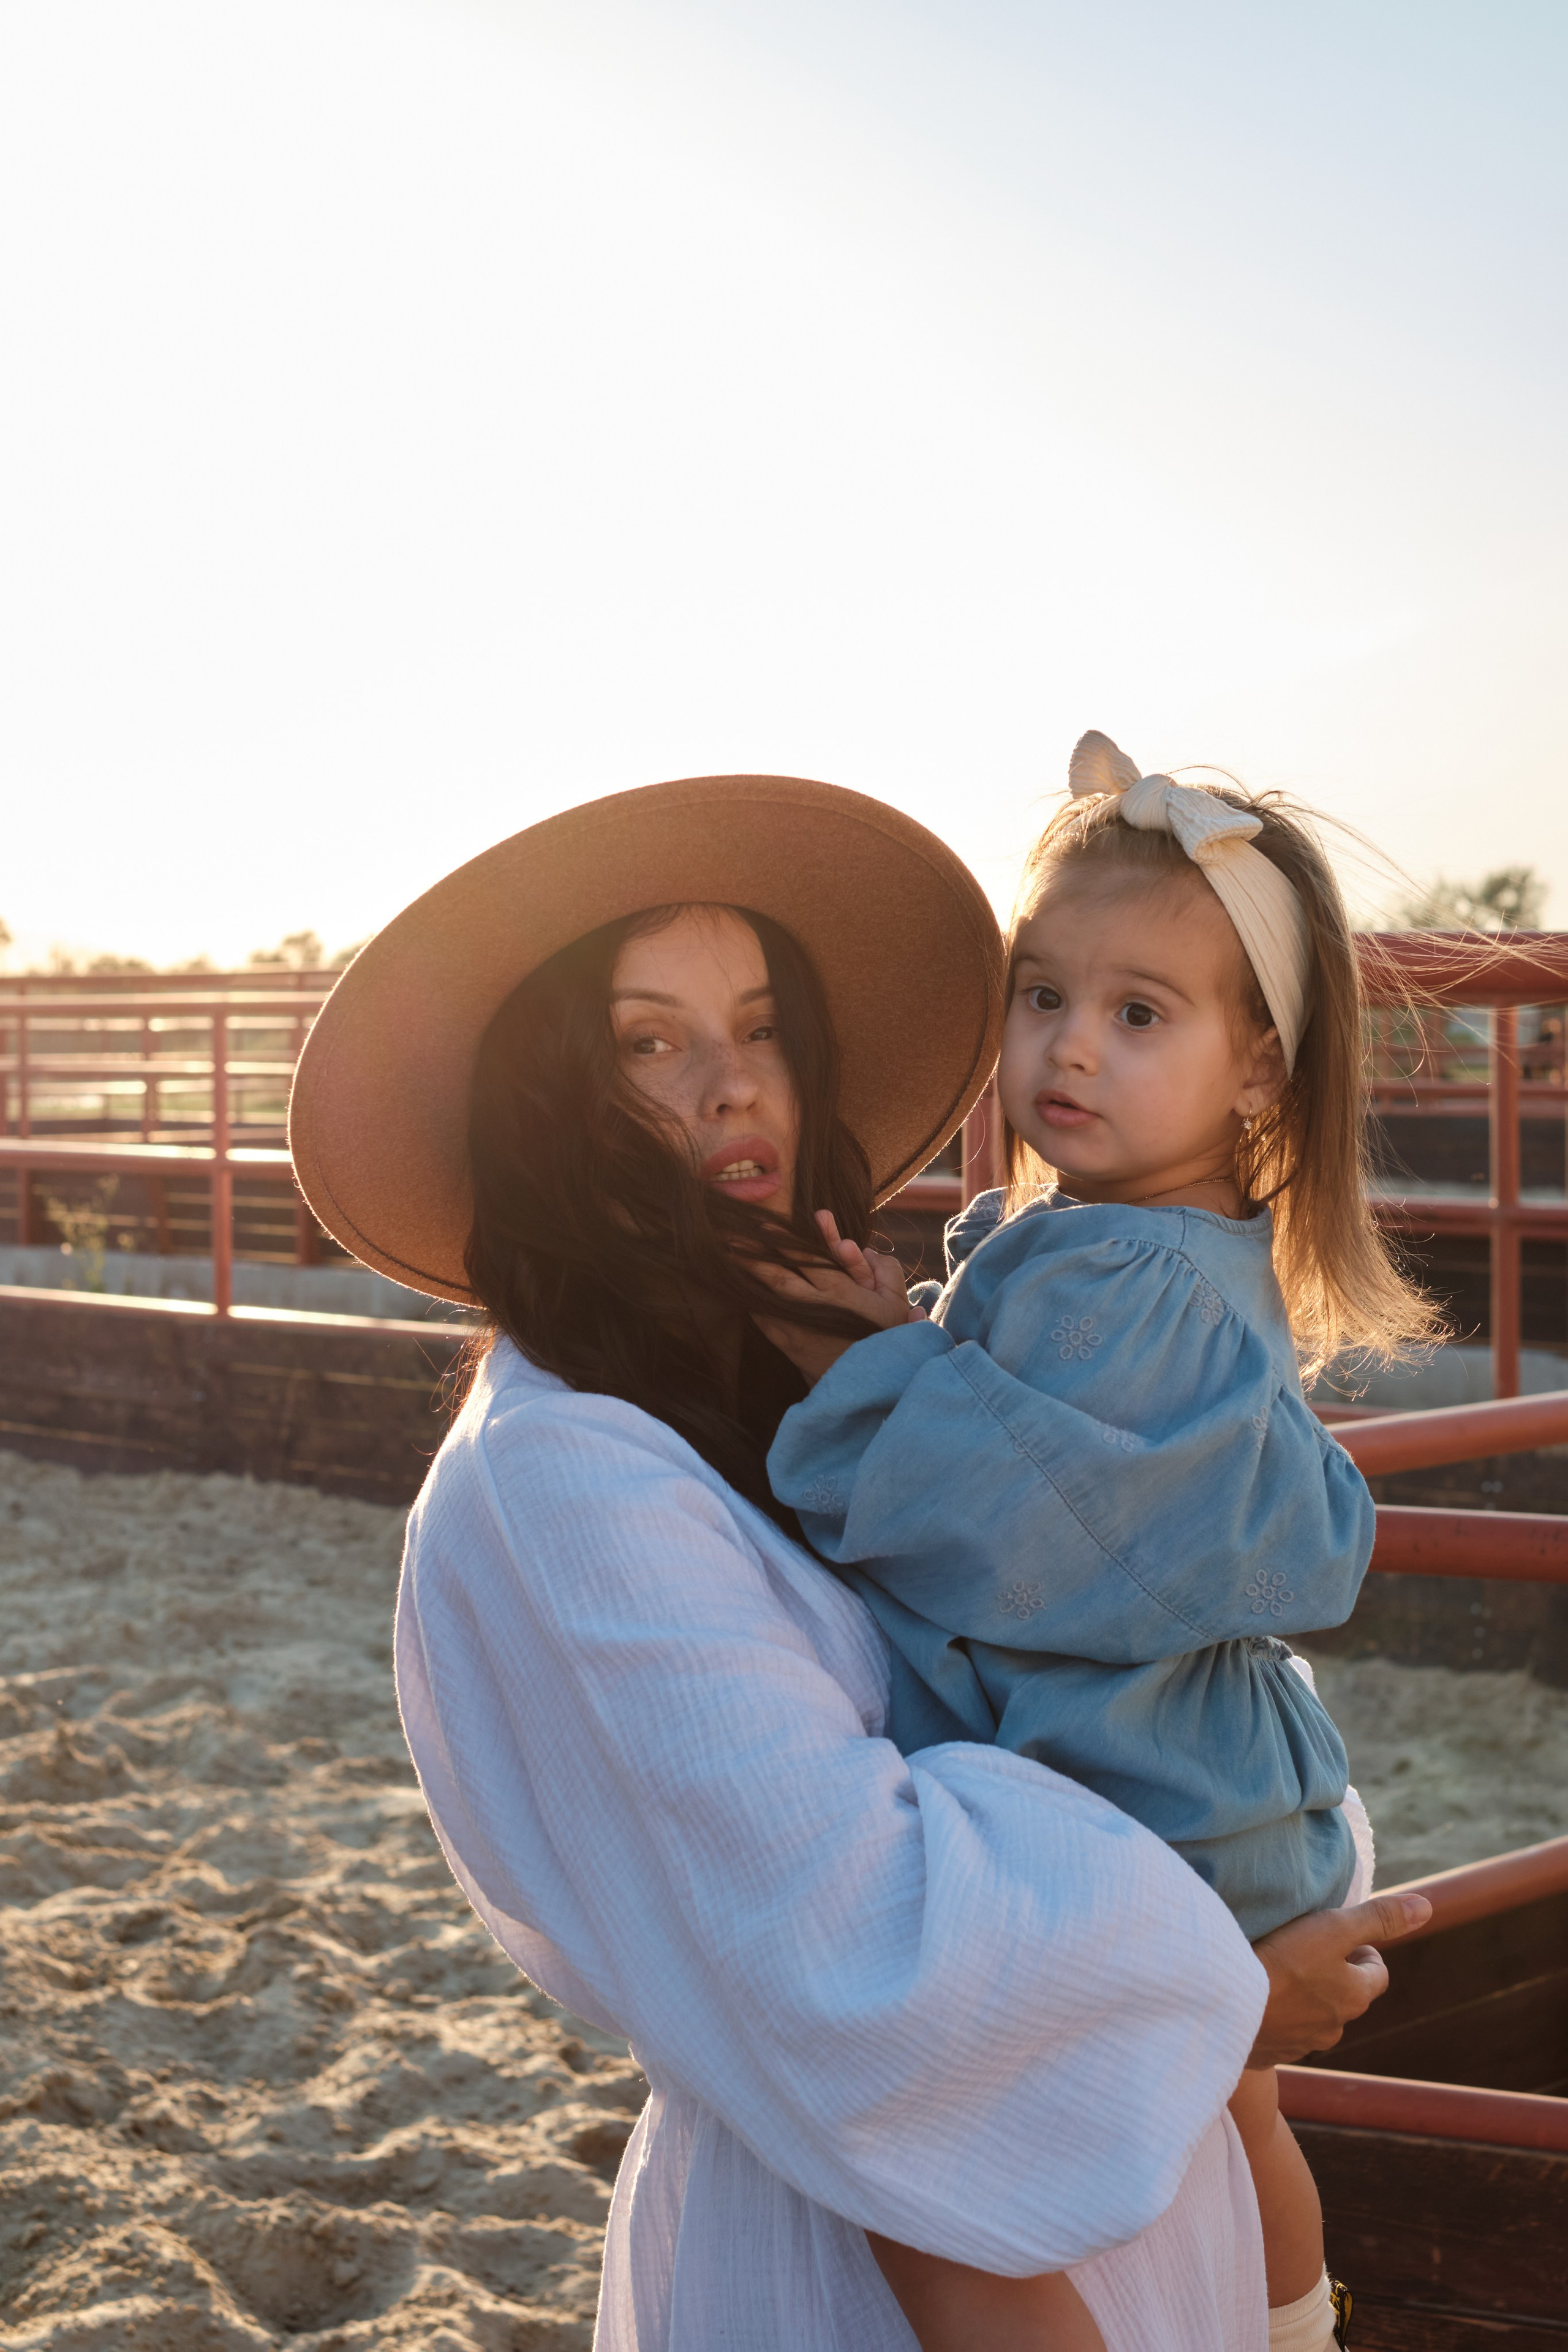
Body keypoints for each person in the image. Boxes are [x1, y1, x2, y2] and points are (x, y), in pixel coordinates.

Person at [288, 772, 1430, 2352]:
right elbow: (852, 1953)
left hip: (1134, 2172)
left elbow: (1156, 1628)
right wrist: (1230, 1984)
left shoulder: (782, 1350)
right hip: (876, 2221)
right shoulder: (562, 1473)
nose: (732, 1088)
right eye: (648, 1042)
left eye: (761, 1027)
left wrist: (1262, 1905)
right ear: (547, 1088)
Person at [763, 736, 1442, 2351]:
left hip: (1148, 1806)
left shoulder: (1118, 1278)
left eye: (1141, 1014)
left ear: (1259, 1069)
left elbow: (1016, 1514)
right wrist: (928, 1329)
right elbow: (1054, 1445)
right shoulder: (1153, 1243)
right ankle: (1299, 2330)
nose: (1070, 1045)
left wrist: (876, 1366)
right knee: (1245, 2112)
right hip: (1211, 1776)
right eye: (1043, 994)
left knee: (928, 2174)